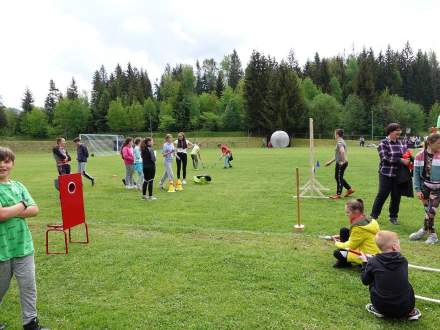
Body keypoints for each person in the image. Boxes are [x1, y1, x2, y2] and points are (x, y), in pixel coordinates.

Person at [0, 147, 49, 330]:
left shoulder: (19, 186)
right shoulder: (19, 195)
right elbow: (1, 215)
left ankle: (30, 324)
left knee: (28, 287)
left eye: (6, 161)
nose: (2, 165)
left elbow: (35, 210)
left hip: (23, 247)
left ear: (12, 163)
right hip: (2, 249)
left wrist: (10, 209)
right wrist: (21, 205)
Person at [360, 231, 421, 320]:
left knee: (373, 281)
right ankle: (410, 312)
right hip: (406, 308)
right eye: (399, 243)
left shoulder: (373, 262)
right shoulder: (403, 261)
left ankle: (378, 309)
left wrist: (365, 263)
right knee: (404, 283)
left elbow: (365, 281)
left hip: (383, 308)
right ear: (394, 247)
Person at [370, 123, 408, 225]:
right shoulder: (383, 143)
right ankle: (373, 216)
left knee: (396, 196)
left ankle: (393, 217)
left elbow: (405, 155)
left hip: (398, 175)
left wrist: (410, 159)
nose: (399, 132)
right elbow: (385, 159)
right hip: (386, 174)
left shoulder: (402, 143)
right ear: (391, 131)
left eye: (400, 130)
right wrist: (400, 160)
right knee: (382, 194)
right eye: (397, 130)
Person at [332, 199, 380, 268]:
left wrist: (337, 243)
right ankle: (344, 261)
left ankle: (346, 263)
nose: (346, 214)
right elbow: (360, 236)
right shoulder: (369, 219)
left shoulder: (358, 228)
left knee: (337, 253)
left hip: (368, 255)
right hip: (375, 252)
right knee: (344, 231)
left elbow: (351, 246)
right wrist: (340, 236)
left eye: (348, 212)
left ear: (356, 211)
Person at [411, 133, 440, 244]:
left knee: (431, 211)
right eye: (438, 143)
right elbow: (416, 174)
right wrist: (418, 190)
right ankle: (424, 229)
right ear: (430, 143)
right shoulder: (419, 156)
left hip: (438, 189)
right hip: (425, 188)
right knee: (427, 211)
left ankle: (432, 235)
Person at [325, 129, 355, 199]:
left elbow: (342, 151)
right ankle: (350, 189)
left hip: (341, 163)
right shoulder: (341, 141)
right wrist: (330, 162)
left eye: (335, 134)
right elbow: (338, 155)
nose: (334, 135)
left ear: (337, 135)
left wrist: (343, 161)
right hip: (340, 162)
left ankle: (338, 194)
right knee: (338, 177)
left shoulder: (340, 142)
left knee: (338, 178)